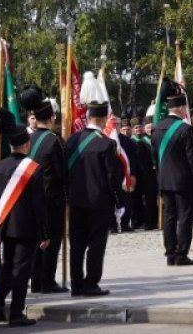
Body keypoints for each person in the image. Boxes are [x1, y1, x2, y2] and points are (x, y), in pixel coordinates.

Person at [65, 76, 122, 296]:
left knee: (76, 244)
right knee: (96, 245)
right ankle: (91, 283)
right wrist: (118, 200)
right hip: (99, 202)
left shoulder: (71, 141)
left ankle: (76, 284)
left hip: (76, 201)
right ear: (104, 119)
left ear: (88, 116)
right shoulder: (107, 144)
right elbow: (112, 178)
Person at [0, 123, 49, 328]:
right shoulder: (33, 169)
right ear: (26, 144)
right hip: (26, 227)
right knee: (21, 270)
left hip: (4, 225)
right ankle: (16, 313)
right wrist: (45, 232)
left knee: (7, 268)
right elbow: (38, 204)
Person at [18, 85, 67, 293]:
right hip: (50, 198)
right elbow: (61, 172)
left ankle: (36, 279)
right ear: (51, 118)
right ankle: (47, 280)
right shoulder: (53, 140)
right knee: (52, 240)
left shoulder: (28, 139)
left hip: (30, 196)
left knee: (37, 241)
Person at [153, 85, 193, 265]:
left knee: (169, 217)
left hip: (165, 181)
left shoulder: (157, 129)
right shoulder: (185, 130)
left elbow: (155, 159)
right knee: (185, 218)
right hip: (184, 182)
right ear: (181, 108)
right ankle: (181, 254)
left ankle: (170, 253)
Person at [129, 112, 158, 230]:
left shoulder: (155, 140)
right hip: (143, 173)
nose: (149, 129)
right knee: (141, 199)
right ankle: (142, 221)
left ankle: (152, 220)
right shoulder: (140, 143)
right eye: (148, 127)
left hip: (152, 174)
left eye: (151, 127)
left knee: (152, 198)